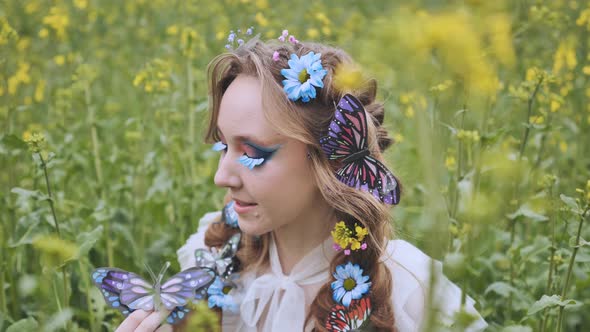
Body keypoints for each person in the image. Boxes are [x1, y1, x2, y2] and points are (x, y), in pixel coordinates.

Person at [115, 32, 488, 332]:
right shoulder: (213, 259)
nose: (221, 176)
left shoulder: (413, 290)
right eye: (223, 146)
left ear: (327, 159)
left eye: (254, 152)